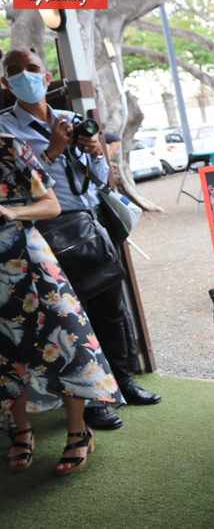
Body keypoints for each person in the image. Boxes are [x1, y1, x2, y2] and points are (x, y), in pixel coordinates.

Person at [0, 48, 161, 432]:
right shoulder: (5, 131)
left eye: (33, 68)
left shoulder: (73, 120)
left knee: (112, 308)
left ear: (48, 76)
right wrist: (53, 151)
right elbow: (17, 188)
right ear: (5, 82)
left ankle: (122, 383)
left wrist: (96, 152)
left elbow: (102, 177)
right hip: (45, 232)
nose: (26, 75)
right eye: (15, 71)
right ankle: (94, 401)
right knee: (72, 320)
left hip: (91, 222)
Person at [0, 133, 123, 474]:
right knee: (5, 350)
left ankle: (78, 430)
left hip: (29, 262)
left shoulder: (10, 146)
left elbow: (51, 204)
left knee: (65, 339)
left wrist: (10, 212)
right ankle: (20, 429)